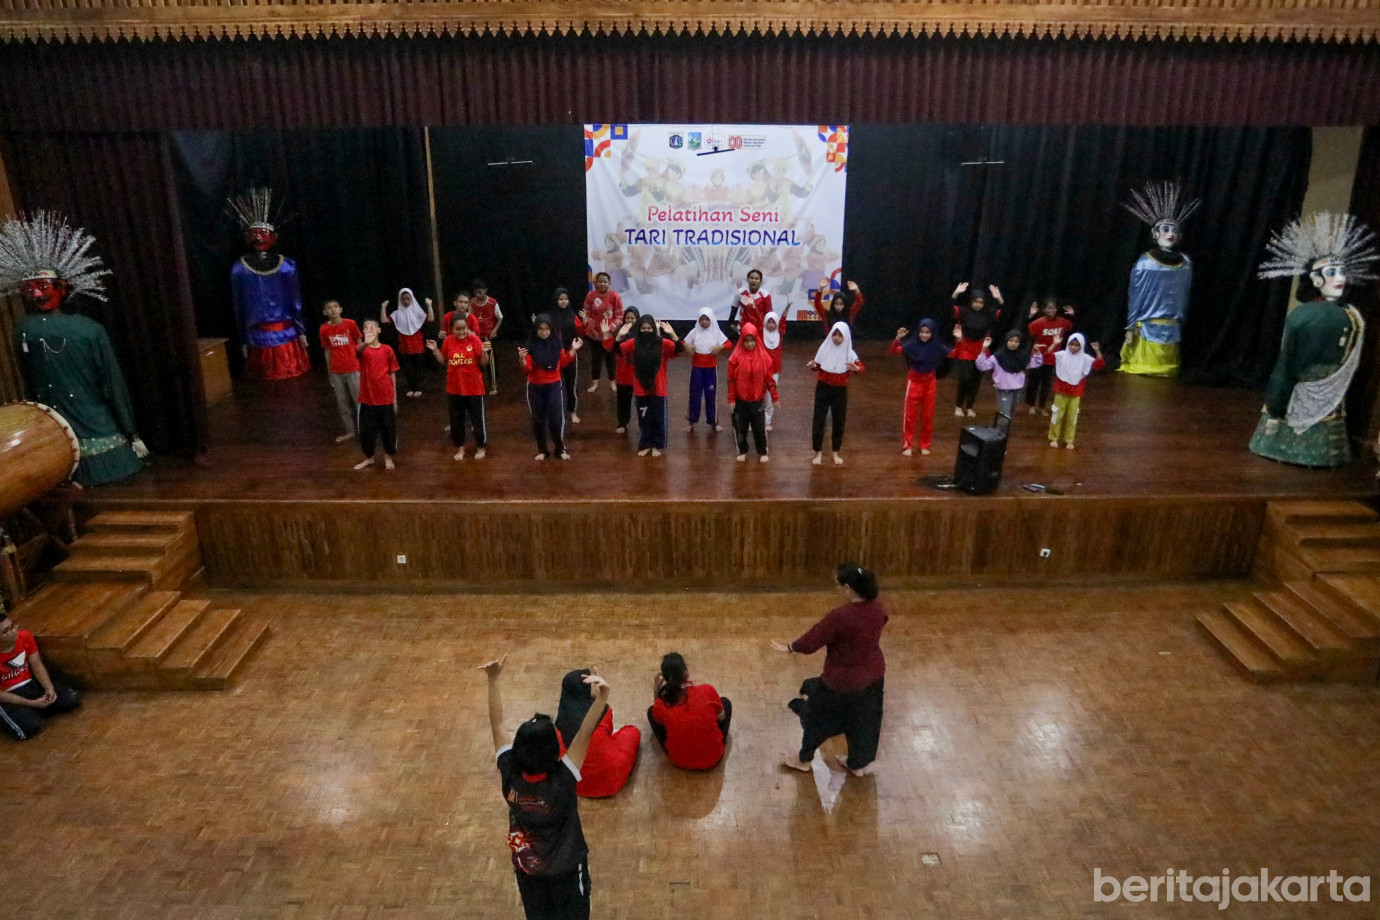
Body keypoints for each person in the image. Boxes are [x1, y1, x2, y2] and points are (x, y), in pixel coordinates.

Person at [2, 211, 148, 484]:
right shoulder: (35, 329)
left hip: (63, 429)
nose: (35, 294)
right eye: (29, 289)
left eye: (42, 286)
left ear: (62, 287)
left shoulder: (30, 329)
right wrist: (131, 433)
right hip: (71, 429)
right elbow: (113, 383)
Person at [481, 655, 607, 920]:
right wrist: (602, 697)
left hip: (528, 868)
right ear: (554, 750)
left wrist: (493, 680)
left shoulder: (509, 772)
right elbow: (584, 732)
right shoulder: (564, 779)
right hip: (568, 870)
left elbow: (497, 723)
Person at [1250, 212, 1379, 467]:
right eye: (1332, 272)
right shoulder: (1343, 316)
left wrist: (1276, 405)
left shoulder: (1346, 315)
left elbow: (1287, 363)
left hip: (1325, 390)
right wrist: (1277, 403)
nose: (1340, 278)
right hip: (1310, 388)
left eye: (1342, 271)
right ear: (1316, 279)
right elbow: (1289, 365)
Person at [772, 563, 888, 777]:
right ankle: (858, 764)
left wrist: (791, 647)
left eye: (838, 585)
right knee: (866, 722)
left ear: (847, 588)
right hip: (873, 676)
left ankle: (804, 760)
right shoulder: (878, 608)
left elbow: (813, 640)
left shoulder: (840, 616)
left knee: (816, 718)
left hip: (841, 681)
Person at [227, 187, 310, 381]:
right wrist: (243, 339)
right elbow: (238, 305)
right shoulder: (240, 268)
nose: (258, 238)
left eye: (262, 234)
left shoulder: (286, 266)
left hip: (283, 333)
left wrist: (301, 330)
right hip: (258, 335)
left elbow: (295, 300)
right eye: (255, 235)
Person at [1120, 181, 1200, 378]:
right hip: (1147, 324)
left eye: (1174, 230)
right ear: (1155, 234)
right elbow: (1135, 295)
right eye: (1165, 229)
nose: (1170, 234)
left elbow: (1185, 295)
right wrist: (1130, 326)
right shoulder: (1146, 263)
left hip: (1172, 325)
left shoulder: (1186, 263)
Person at [555, 668, 640, 798]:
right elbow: (609, 732)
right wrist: (601, 696)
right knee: (632, 731)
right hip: (609, 780)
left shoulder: (561, 720)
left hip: (574, 782)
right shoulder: (604, 712)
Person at [0, 610, 81, 741]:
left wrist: (49, 688)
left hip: (30, 685)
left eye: (12, 626)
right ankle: (28, 712)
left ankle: (35, 709)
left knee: (71, 698)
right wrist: (30, 703)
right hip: (9, 697)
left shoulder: (24, 637)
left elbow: (37, 664)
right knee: (30, 728)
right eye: (6, 631)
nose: (12, 631)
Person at [648, 652, 731, 771]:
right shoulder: (707, 690)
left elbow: (656, 717)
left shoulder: (663, 704)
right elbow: (722, 718)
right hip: (713, 757)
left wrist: (656, 692)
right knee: (725, 703)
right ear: (685, 672)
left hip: (679, 761)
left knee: (652, 713)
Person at [617, 313, 684, 457]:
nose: (646, 331)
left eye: (649, 328)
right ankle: (646, 444)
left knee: (658, 418)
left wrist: (672, 334)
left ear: (653, 328)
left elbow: (678, 349)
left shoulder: (661, 342)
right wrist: (619, 336)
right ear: (639, 329)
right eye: (643, 328)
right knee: (644, 418)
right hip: (641, 388)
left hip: (658, 388)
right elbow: (617, 350)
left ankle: (656, 445)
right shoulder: (634, 343)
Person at [427, 314, 491, 461]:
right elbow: (443, 361)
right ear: (452, 330)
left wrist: (484, 351)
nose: (461, 332)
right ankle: (460, 448)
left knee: (477, 420)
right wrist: (435, 350)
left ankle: (481, 448)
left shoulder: (474, 339)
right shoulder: (448, 341)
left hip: (474, 388)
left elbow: (484, 363)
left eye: (464, 329)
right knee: (456, 421)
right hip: (454, 388)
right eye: (458, 329)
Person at [520, 314, 582, 460]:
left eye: (547, 329)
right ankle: (542, 450)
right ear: (536, 330)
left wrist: (573, 350)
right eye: (541, 329)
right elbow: (527, 370)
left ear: (551, 329)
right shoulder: (530, 345)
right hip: (535, 387)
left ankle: (560, 449)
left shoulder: (556, 343)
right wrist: (522, 360)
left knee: (556, 418)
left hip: (554, 385)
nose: (544, 331)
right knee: (538, 419)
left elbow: (563, 362)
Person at [890, 318, 950, 456]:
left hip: (930, 382)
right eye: (922, 332)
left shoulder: (937, 345)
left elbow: (955, 354)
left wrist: (959, 341)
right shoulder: (912, 344)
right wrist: (898, 338)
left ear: (932, 333)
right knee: (910, 415)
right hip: (915, 381)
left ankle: (924, 444)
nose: (924, 335)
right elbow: (894, 351)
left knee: (928, 415)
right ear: (918, 332)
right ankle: (908, 445)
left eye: (927, 332)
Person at [807, 321, 864, 466]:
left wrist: (856, 368)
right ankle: (818, 452)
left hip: (840, 391)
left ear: (845, 336)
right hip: (823, 388)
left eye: (840, 335)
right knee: (819, 420)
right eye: (835, 335)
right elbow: (817, 365)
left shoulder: (849, 353)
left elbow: (861, 368)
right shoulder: (824, 348)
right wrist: (813, 366)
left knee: (839, 421)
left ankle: (835, 452)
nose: (837, 338)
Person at [726, 322, 778, 462]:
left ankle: (762, 451)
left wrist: (774, 396)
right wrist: (731, 399)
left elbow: (770, 379)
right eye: (746, 341)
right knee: (740, 428)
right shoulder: (734, 358)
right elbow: (731, 380)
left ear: (757, 340)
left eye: (752, 340)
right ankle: (742, 450)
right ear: (742, 340)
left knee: (759, 428)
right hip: (740, 400)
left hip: (757, 399)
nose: (749, 344)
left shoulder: (764, 358)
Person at [950, 281, 1004, 417]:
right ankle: (958, 406)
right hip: (966, 348)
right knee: (965, 379)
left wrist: (998, 298)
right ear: (972, 301)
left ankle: (969, 407)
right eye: (976, 302)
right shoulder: (963, 311)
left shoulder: (988, 313)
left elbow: (1005, 312)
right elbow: (949, 308)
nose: (978, 304)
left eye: (981, 302)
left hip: (980, 349)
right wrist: (956, 293)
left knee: (975, 380)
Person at [353, 319, 400, 470]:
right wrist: (366, 343)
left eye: (372, 327)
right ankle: (369, 457)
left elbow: (392, 373)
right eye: (366, 328)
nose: (369, 329)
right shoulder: (363, 349)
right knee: (367, 432)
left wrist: (394, 397)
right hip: (367, 399)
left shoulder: (387, 349)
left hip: (385, 397)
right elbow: (358, 351)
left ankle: (388, 456)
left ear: (379, 330)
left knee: (388, 430)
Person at [1047, 332, 1104, 449]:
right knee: (1057, 414)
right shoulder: (1061, 355)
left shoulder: (1085, 358)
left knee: (1072, 417)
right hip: (1060, 391)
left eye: (1077, 345)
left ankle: (1069, 440)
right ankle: (1054, 438)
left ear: (1081, 346)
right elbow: (1047, 357)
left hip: (1076, 392)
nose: (1073, 347)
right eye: (1071, 344)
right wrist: (1054, 345)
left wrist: (1097, 351)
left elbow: (1099, 364)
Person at [319, 300, 363, 443]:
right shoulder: (324, 329)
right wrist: (329, 371)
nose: (333, 310)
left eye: (335, 307)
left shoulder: (350, 324)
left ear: (341, 309)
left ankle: (364, 429)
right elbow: (327, 350)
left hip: (353, 368)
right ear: (325, 312)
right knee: (342, 403)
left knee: (359, 401)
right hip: (336, 370)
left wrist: (364, 362)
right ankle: (350, 431)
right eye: (329, 308)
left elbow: (360, 343)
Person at [682, 307, 732, 432]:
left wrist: (720, 347)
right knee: (695, 395)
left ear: (712, 320)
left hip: (710, 369)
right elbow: (683, 342)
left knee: (711, 395)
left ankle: (713, 422)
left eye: (707, 320)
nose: (704, 322)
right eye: (702, 319)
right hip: (697, 368)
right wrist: (688, 345)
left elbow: (729, 343)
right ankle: (691, 421)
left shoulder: (716, 332)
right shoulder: (694, 332)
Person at [976, 329, 1043, 421]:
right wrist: (984, 349)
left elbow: (1036, 363)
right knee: (1004, 416)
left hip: (1017, 390)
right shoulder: (998, 356)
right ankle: (1000, 433)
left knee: (1011, 415)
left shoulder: (1022, 356)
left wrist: (1037, 352)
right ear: (1006, 341)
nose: (1013, 343)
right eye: (1011, 341)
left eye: (1016, 341)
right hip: (1004, 390)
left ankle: (1003, 434)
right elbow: (982, 366)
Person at [1025, 297, 1074, 416]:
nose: (1051, 311)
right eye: (1049, 309)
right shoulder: (1038, 323)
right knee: (1033, 383)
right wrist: (1030, 316)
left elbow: (1071, 326)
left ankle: (1041, 406)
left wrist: (1072, 315)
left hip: (1051, 359)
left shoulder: (1062, 322)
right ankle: (1031, 405)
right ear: (1044, 310)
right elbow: (1028, 333)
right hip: (1037, 358)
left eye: (1053, 309)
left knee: (1046, 384)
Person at [380, 288, 434, 398]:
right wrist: (383, 307)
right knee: (408, 369)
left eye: (408, 299)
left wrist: (429, 305)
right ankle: (411, 388)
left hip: (418, 346)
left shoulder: (418, 312)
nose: (405, 301)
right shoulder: (397, 313)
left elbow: (431, 318)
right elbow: (384, 320)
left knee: (418, 369)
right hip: (404, 347)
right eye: (403, 299)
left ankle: (418, 388)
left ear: (412, 299)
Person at [582, 273, 622, 392]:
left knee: (610, 359)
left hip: (609, 336)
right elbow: (586, 313)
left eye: (605, 282)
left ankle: (612, 383)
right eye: (600, 281)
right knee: (596, 359)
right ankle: (595, 383)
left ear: (609, 283)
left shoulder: (615, 296)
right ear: (595, 283)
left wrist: (610, 331)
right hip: (594, 335)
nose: (602, 284)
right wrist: (591, 328)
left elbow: (620, 316)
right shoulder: (590, 295)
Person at [606, 306, 640, 433]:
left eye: (633, 318)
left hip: (637, 374)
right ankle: (622, 423)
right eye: (627, 318)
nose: (630, 320)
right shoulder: (619, 332)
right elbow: (613, 349)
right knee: (623, 401)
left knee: (641, 401)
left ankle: (643, 424)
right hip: (623, 373)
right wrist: (618, 336)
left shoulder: (641, 332)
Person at [470, 279, 505, 395]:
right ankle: (478, 385)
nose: (477, 295)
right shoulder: (472, 303)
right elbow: (469, 317)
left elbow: (500, 318)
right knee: (477, 361)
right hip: (476, 336)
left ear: (485, 291)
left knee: (491, 362)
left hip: (489, 337)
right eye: (475, 293)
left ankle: (493, 386)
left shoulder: (492, 303)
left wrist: (494, 330)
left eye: (480, 292)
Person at [760, 310, 787, 430]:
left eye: (773, 322)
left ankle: (767, 420)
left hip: (774, 371)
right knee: (758, 395)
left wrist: (786, 309)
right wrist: (754, 307)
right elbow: (756, 318)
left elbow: (783, 322)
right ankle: (755, 419)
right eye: (768, 322)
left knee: (769, 396)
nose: (771, 325)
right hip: (760, 370)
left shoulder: (779, 334)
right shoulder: (760, 335)